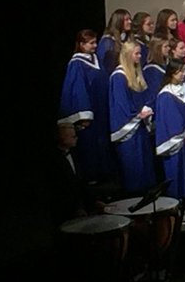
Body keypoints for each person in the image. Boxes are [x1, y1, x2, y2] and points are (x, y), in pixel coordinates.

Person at [59, 28, 115, 183]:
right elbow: (78, 90)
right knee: (91, 147)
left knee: (103, 145)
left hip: (101, 111)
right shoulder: (77, 64)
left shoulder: (95, 60)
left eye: (95, 42)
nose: (95, 46)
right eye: (91, 43)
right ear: (81, 44)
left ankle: (106, 177)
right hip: (91, 112)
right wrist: (85, 114)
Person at [109, 39, 156, 193]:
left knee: (145, 170)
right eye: (136, 54)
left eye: (140, 53)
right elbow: (121, 106)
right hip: (129, 132)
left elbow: (144, 97)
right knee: (134, 171)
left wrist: (147, 109)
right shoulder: (119, 77)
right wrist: (138, 116)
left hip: (140, 129)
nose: (139, 57)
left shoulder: (136, 74)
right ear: (128, 55)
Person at [154, 59, 185, 206]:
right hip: (176, 144)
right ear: (172, 73)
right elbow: (171, 121)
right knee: (177, 175)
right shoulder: (165, 95)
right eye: (181, 71)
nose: (184, 74)